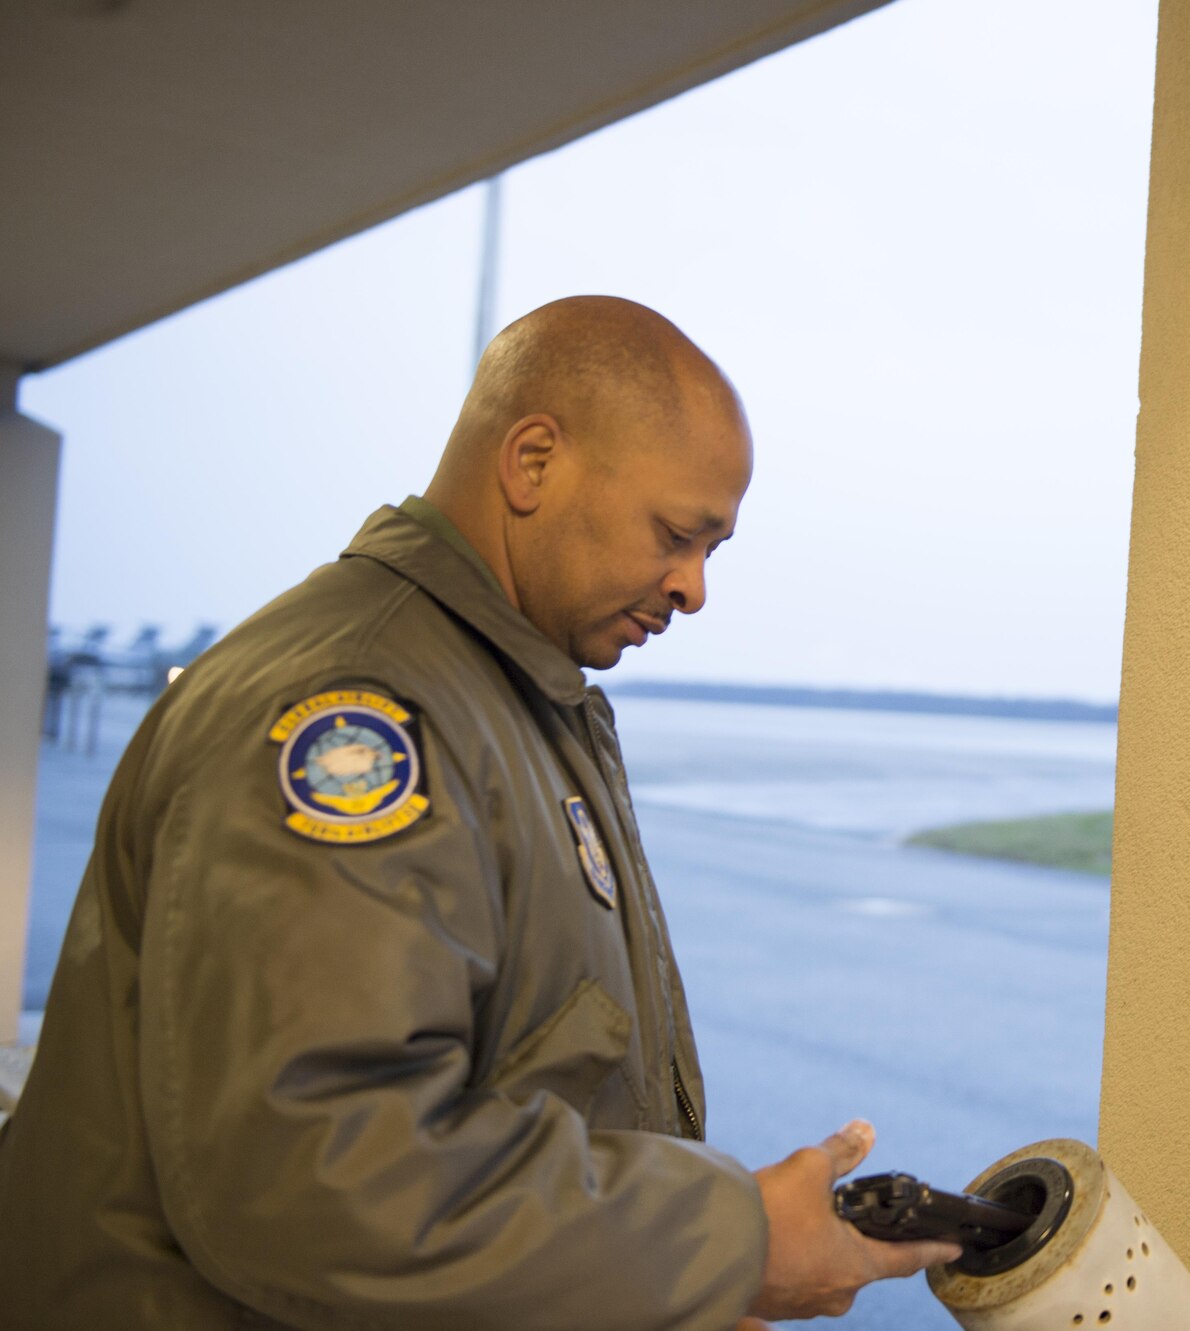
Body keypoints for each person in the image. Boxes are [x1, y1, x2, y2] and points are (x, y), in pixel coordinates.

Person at [0, 296, 959, 1328]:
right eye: (677, 534)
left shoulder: (507, 704)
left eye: (711, 550)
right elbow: (320, 1183)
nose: (692, 589)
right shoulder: (363, 710)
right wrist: (734, 1240)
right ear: (533, 460)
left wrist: (650, 1285)